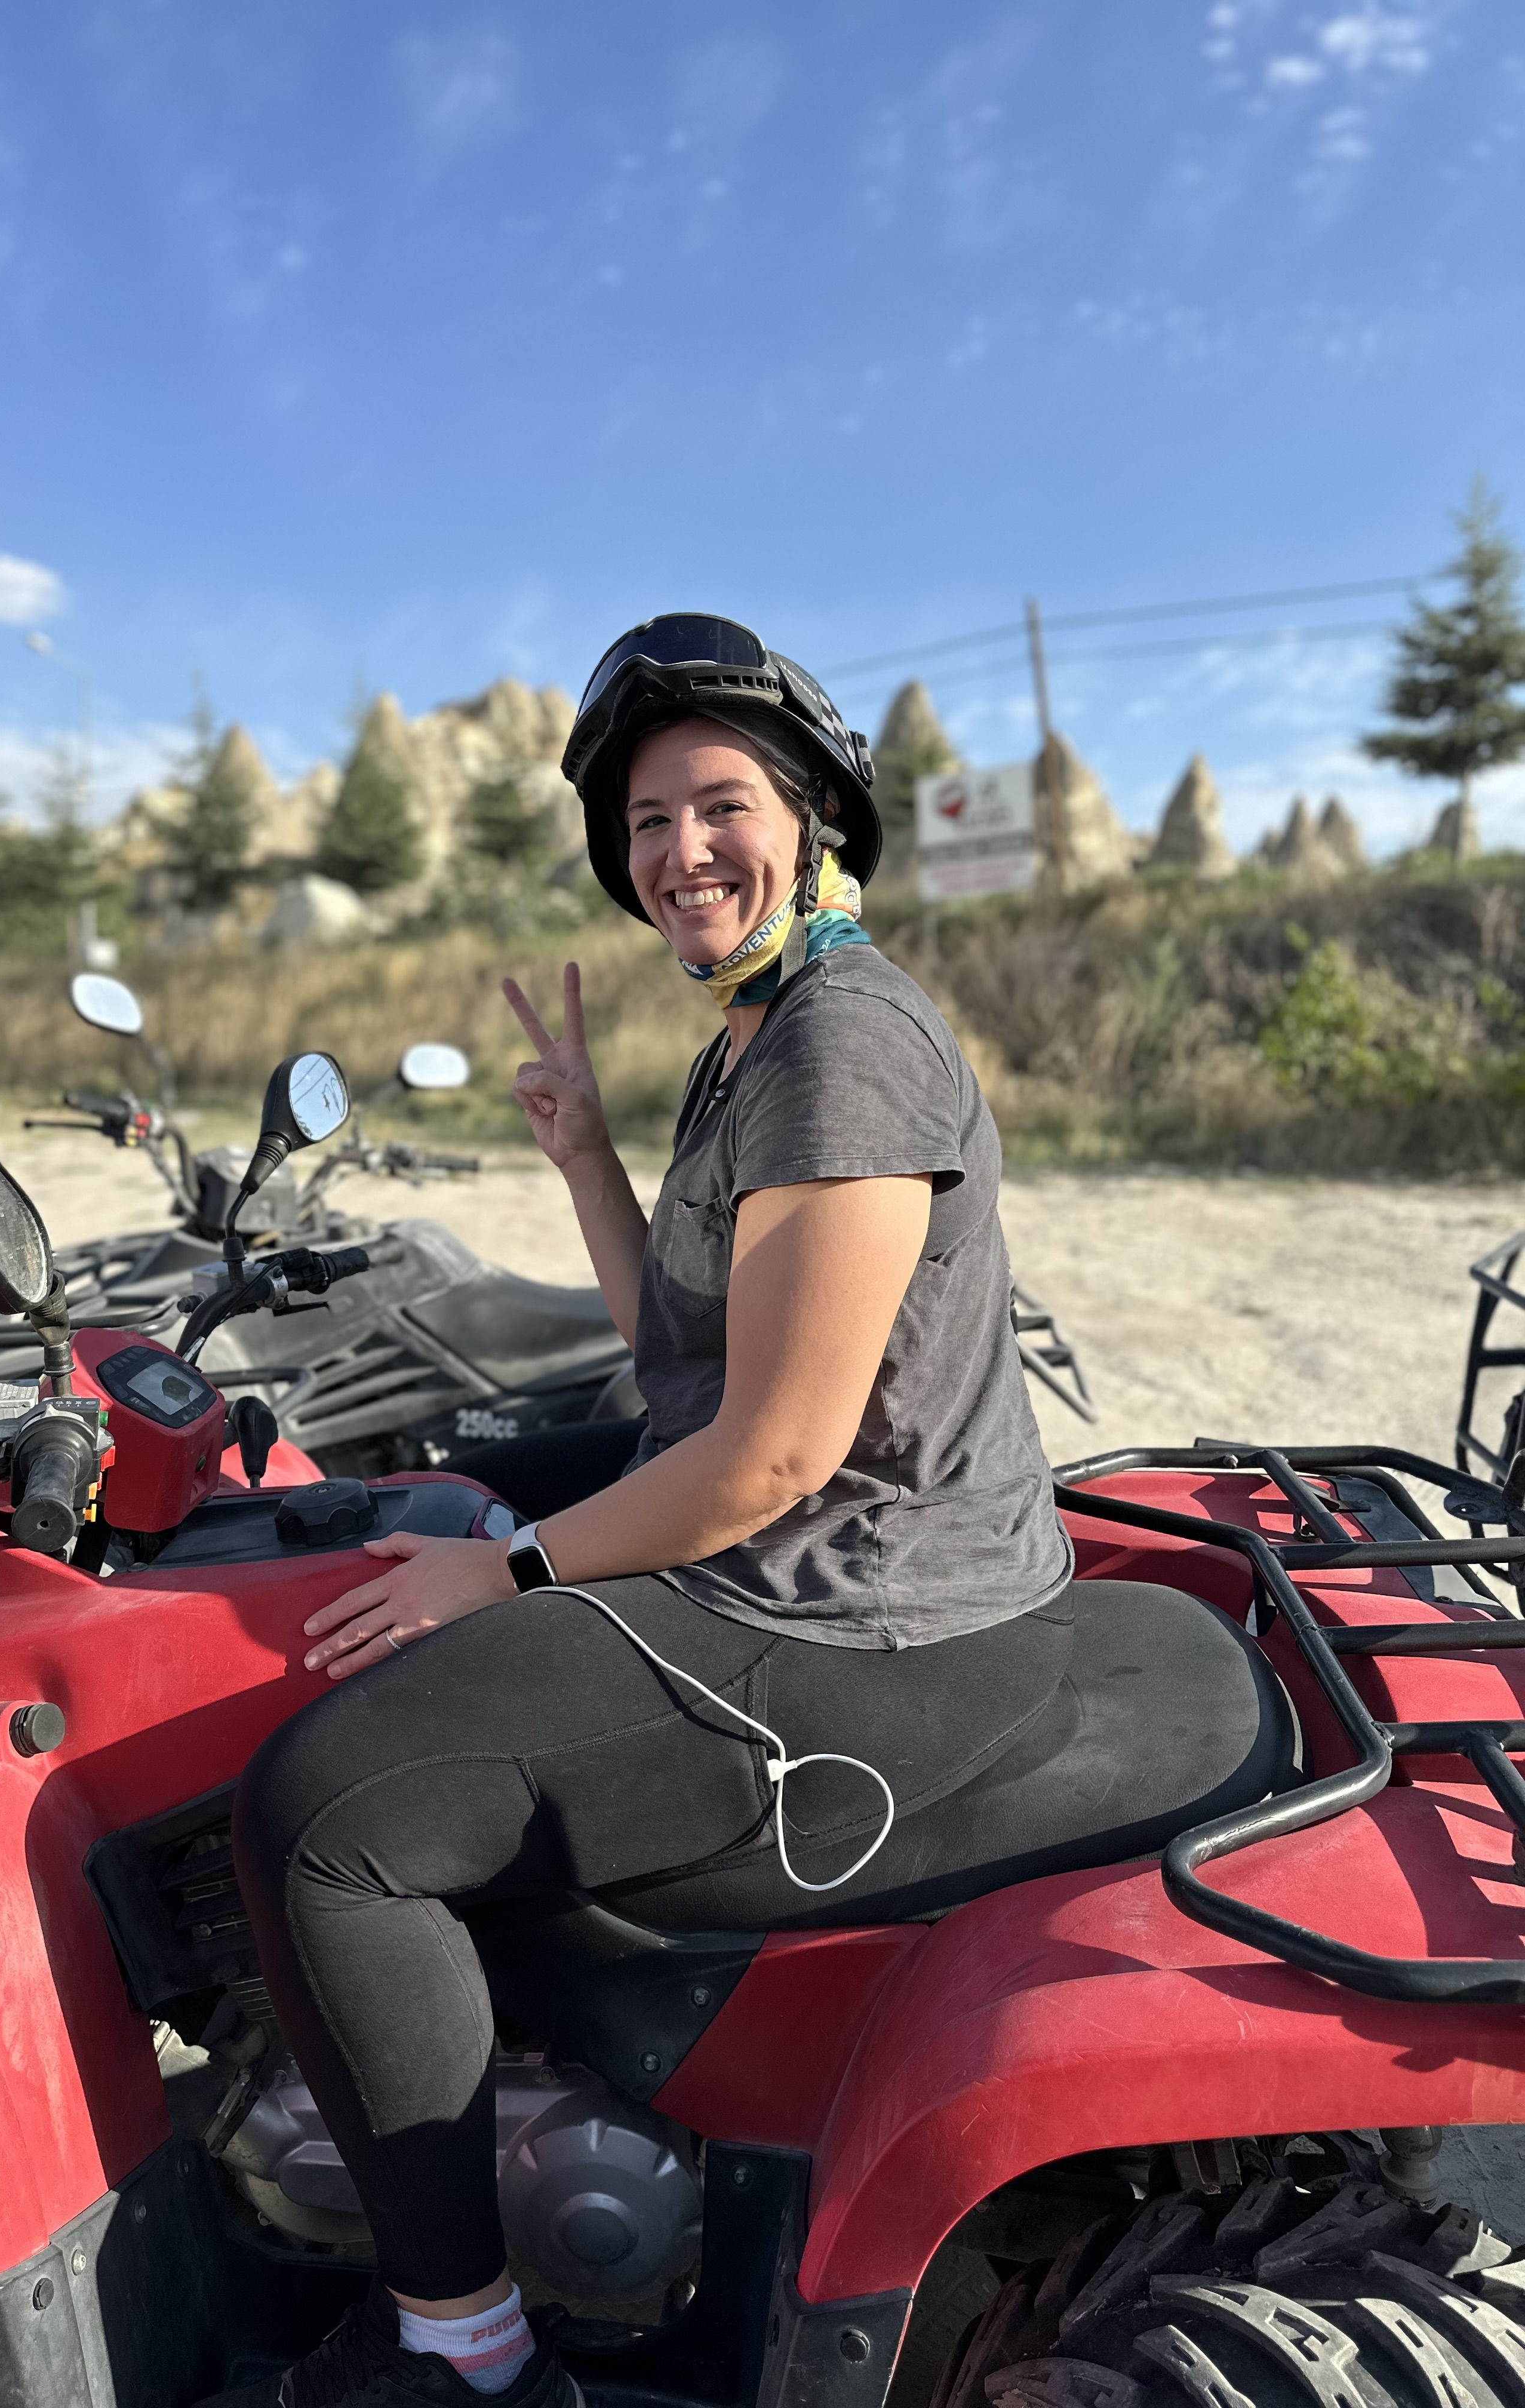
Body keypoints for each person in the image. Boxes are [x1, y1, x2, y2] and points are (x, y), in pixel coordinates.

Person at [202, 616, 1073, 2408]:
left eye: (721, 804)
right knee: (390, 1495)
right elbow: (682, 1360)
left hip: (870, 1610)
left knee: (319, 1822)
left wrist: (505, 1574)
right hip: (829, 1543)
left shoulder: (841, 1043)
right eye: (650, 821)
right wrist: (587, 1151)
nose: (682, 850)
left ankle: (461, 2345)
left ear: (816, 815)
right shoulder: (755, 1038)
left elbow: (766, 1458)